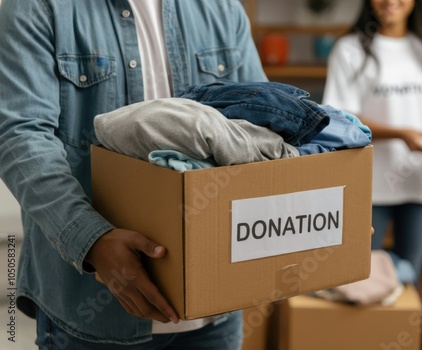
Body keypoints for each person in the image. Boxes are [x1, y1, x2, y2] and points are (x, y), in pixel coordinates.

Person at [0, 0, 267, 348]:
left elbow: (261, 127)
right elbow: (20, 135)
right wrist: (92, 240)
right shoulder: (38, 7)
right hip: (90, 316)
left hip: (215, 312)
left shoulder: (221, 7)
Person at [322, 0, 422, 284]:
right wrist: (401, 133)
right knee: (362, 279)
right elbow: (345, 118)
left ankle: (402, 329)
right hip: (370, 184)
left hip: (421, 185)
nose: (390, 1)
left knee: (409, 278)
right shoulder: (349, 49)